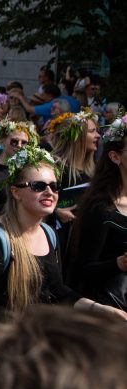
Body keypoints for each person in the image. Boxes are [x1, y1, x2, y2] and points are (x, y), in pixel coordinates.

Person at [0, 145, 127, 324]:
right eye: (38, 186)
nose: (49, 192)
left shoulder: (49, 234)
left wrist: (100, 309)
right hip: (7, 344)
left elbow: (57, 290)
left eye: (54, 186)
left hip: (38, 341)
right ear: (15, 192)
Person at [67, 114, 127, 309]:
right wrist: (118, 263)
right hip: (113, 312)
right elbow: (82, 270)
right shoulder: (100, 208)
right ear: (115, 156)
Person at [0, 120, 38, 226]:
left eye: (24, 143)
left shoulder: (26, 170)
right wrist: (13, 206)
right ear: (2, 141)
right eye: (14, 141)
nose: (19, 145)